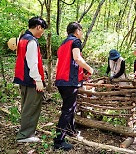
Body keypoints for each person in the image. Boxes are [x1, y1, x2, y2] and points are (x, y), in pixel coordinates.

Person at [54, 22, 93, 151]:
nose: (81, 33)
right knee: (67, 109)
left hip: (61, 80)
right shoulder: (76, 42)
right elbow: (77, 58)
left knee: (71, 107)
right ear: (77, 31)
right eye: (81, 31)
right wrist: (89, 68)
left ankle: (70, 130)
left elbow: (59, 64)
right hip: (69, 82)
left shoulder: (63, 44)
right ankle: (59, 141)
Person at [13, 17, 48, 142]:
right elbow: (32, 63)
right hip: (31, 79)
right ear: (38, 27)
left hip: (23, 78)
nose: (42, 32)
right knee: (32, 107)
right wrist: (38, 80)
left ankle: (25, 131)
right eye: (42, 29)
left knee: (26, 106)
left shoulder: (23, 38)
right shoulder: (31, 41)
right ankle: (25, 135)